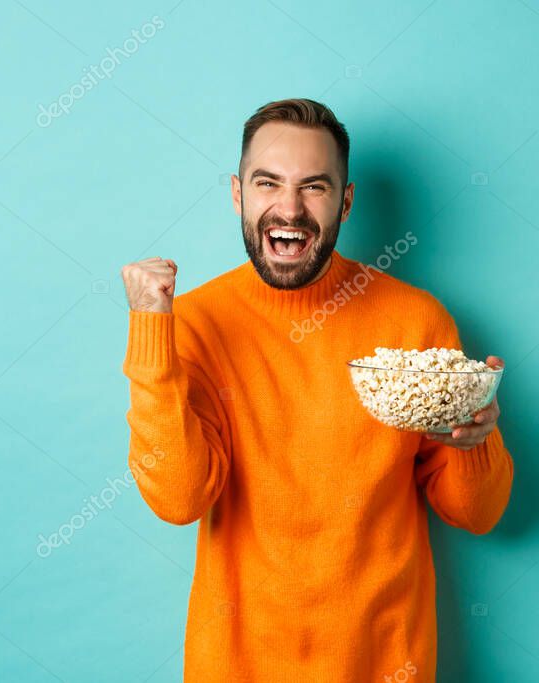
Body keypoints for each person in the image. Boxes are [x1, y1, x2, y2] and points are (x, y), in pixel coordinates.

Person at [120, 98, 514, 682]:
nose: (290, 208)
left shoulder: (416, 322)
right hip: (238, 664)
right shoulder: (196, 325)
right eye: (268, 183)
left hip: (384, 661)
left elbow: (477, 514)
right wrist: (152, 330)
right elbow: (179, 501)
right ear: (238, 194)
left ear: (345, 202)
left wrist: (473, 437)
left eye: (314, 187)